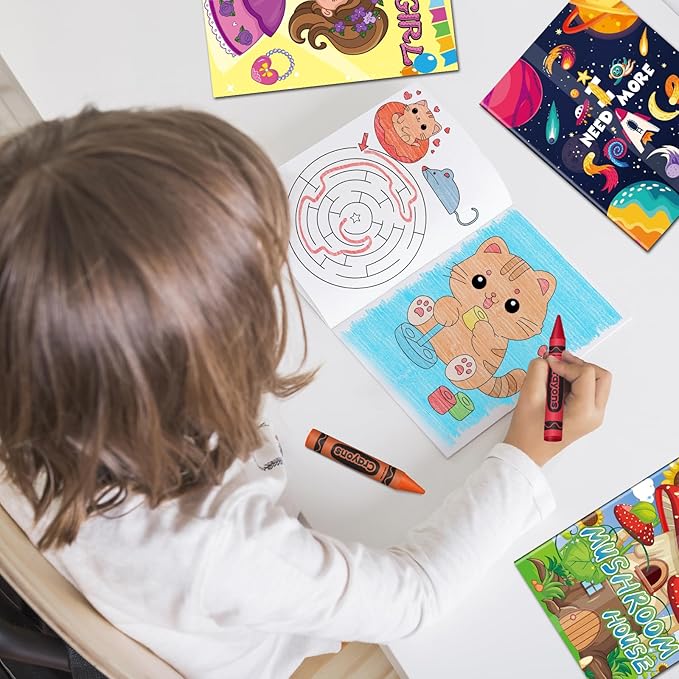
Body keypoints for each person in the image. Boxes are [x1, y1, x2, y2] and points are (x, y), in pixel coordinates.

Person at [0, 108, 612, 679]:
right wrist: (528, 453)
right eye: (256, 282)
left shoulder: (38, 363)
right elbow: (418, 595)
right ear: (198, 359)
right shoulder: (220, 548)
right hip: (280, 644)